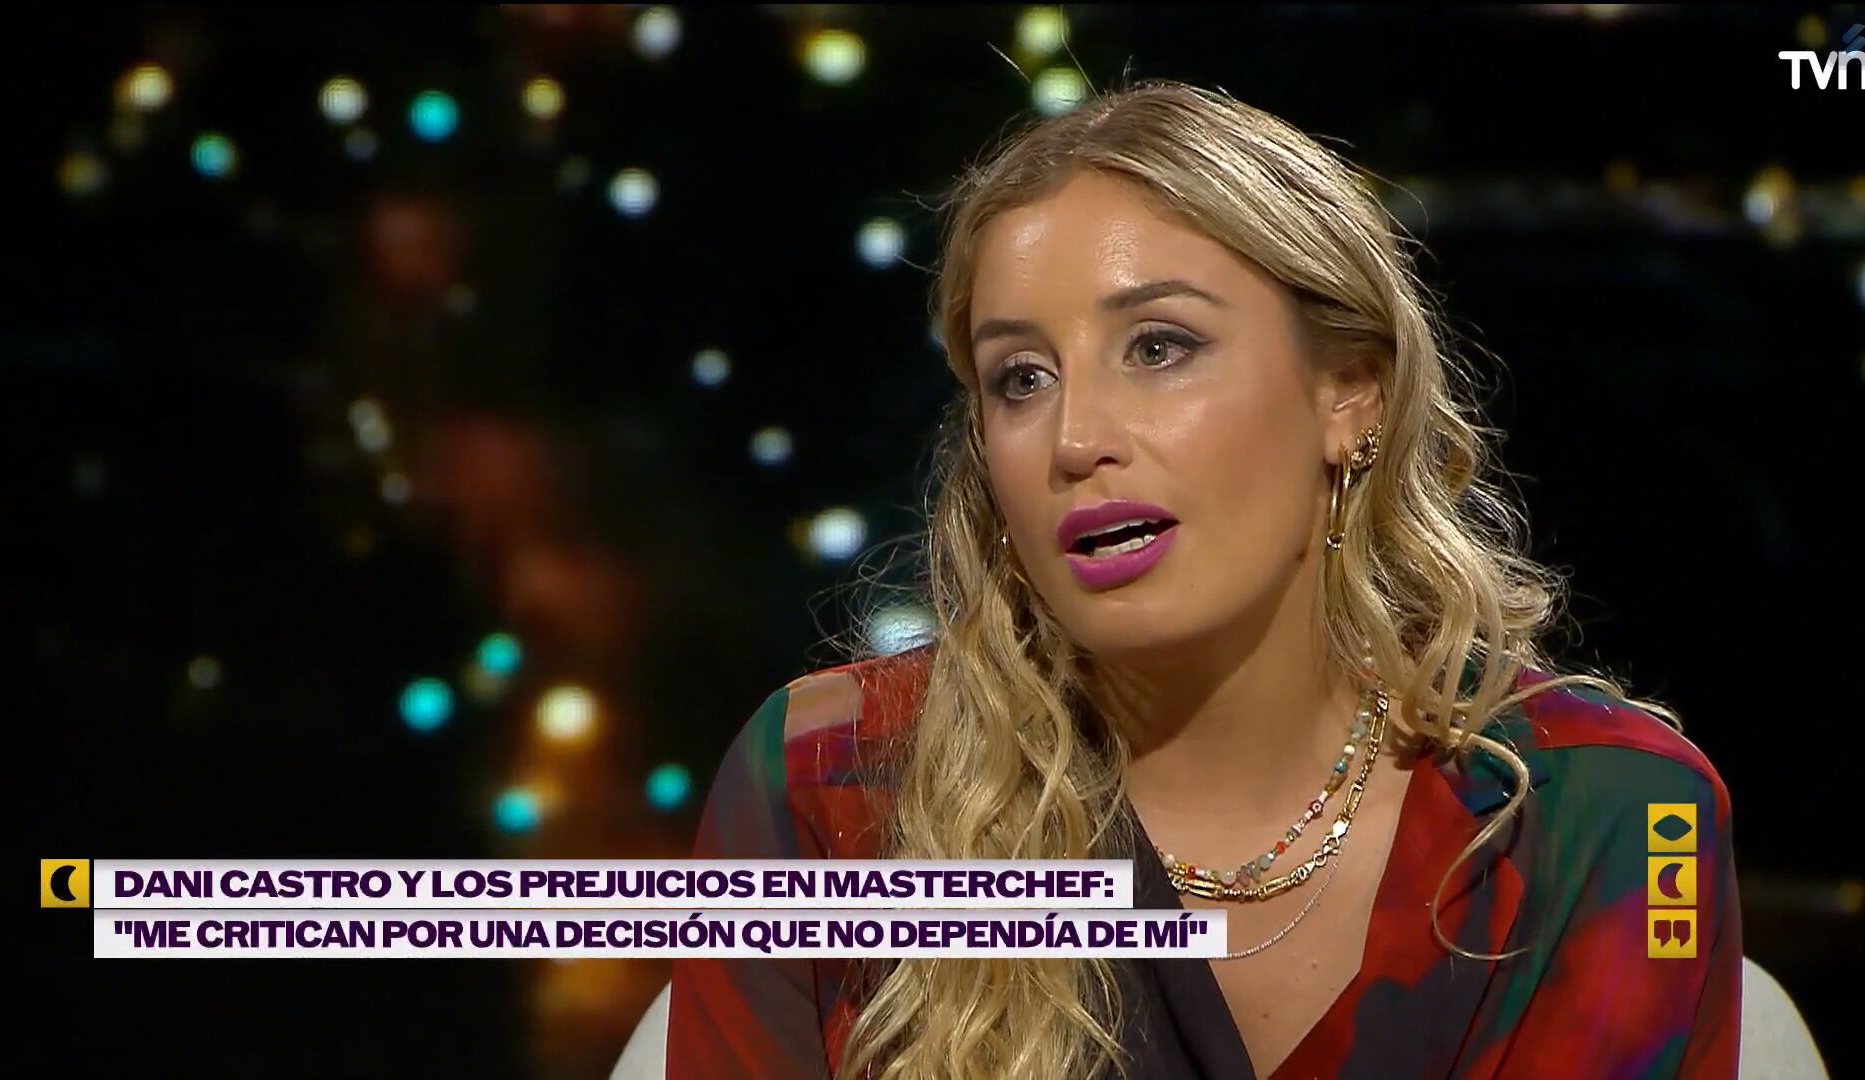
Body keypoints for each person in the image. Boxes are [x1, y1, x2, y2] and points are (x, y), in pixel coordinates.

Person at [665, 80, 1740, 1080]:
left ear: (1348, 391)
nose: (1074, 439)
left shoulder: (1614, 820)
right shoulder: (830, 787)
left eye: (1158, 347)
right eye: (1020, 378)